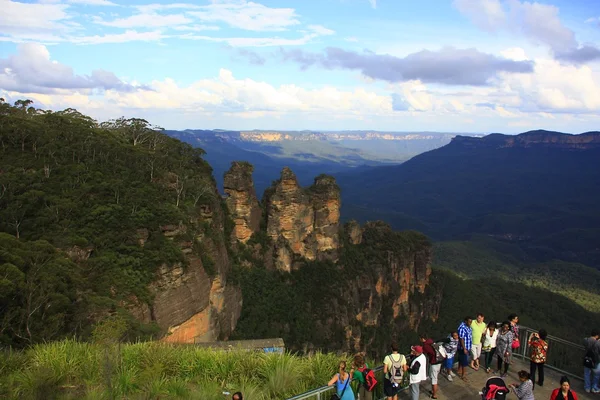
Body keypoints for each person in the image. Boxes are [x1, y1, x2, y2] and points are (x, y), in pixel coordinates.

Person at [421, 334, 443, 399]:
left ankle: (434, 394)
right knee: (434, 377)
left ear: (422, 339)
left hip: (434, 363)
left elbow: (423, 352)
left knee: (434, 380)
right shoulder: (431, 341)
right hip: (439, 361)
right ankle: (434, 390)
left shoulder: (425, 345)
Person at [583, 329, 600, 393]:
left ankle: (587, 387)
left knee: (587, 373)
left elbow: (584, 340)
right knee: (596, 375)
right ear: (597, 335)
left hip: (587, 359)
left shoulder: (586, 340)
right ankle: (594, 387)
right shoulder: (598, 343)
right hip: (595, 361)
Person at [457, 316, 473, 381]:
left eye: (471, 322)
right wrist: (464, 348)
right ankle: (463, 375)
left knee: (461, 360)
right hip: (463, 347)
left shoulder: (468, 327)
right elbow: (461, 338)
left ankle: (459, 370)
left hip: (467, 346)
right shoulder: (462, 328)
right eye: (469, 322)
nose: (470, 323)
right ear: (465, 321)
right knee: (464, 362)